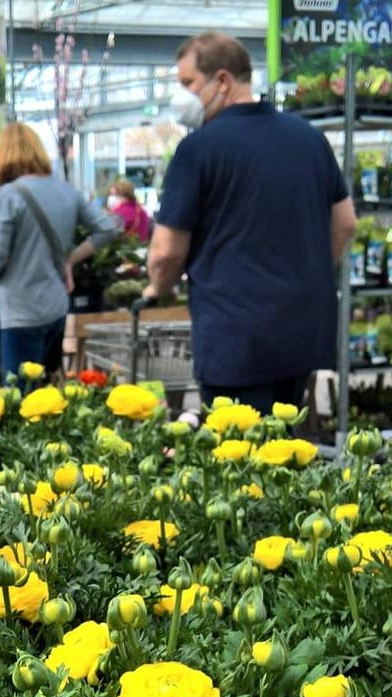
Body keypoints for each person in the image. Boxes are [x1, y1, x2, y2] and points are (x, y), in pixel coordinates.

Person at [144, 32, 355, 413]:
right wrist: (311, 272)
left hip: (235, 336)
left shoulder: (198, 150)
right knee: (282, 446)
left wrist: (158, 288)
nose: (182, 96)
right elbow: (345, 223)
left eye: (188, 83)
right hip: (302, 331)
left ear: (222, 80)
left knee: (238, 456)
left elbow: (166, 251)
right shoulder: (309, 139)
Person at [0, 123, 121, 382]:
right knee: (47, 393)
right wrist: (70, 259)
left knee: (18, 397)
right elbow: (107, 228)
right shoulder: (65, 190)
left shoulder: (9, 195)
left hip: (20, 311)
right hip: (56, 308)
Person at [107, 179, 152, 243]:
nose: (111, 198)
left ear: (122, 194)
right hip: (141, 247)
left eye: (113, 194)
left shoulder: (120, 213)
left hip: (125, 248)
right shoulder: (140, 209)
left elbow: (109, 233)